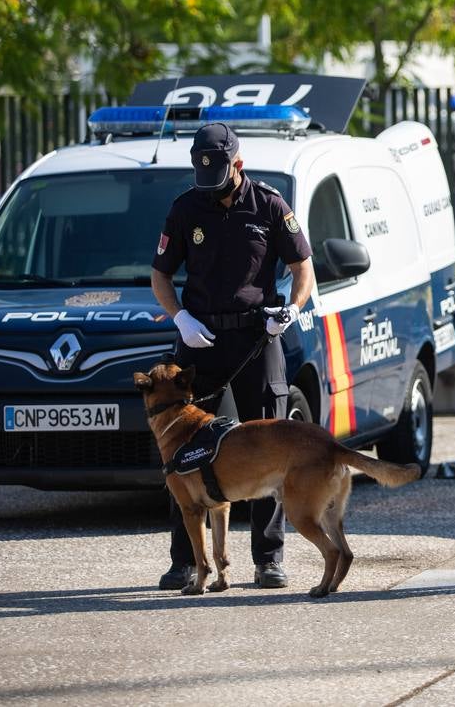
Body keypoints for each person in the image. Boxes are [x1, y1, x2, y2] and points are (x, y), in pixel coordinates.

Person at [149, 122, 315, 591]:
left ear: (237, 165)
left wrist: (292, 308)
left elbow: (303, 266)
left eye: (219, 176)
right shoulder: (185, 208)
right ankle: (185, 560)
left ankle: (269, 558)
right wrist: (179, 317)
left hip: (256, 339)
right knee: (182, 453)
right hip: (199, 340)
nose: (212, 187)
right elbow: (160, 275)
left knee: (268, 447)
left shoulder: (268, 205)